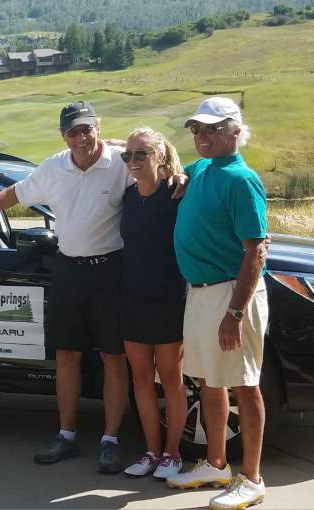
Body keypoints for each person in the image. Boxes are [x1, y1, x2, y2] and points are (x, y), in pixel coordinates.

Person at [0, 101, 133, 474]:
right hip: (69, 271)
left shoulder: (122, 162)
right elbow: (16, 193)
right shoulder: (55, 166)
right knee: (67, 356)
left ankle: (110, 441)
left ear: (98, 127)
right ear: (63, 136)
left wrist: (182, 178)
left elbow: (160, 168)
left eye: (86, 129)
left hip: (110, 271)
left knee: (112, 358)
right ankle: (67, 435)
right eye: (73, 131)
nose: (81, 137)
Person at [166, 97, 269, 510]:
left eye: (211, 128)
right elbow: (168, 163)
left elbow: (255, 251)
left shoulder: (241, 179)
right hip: (202, 291)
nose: (202, 136)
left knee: (245, 385)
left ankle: (253, 478)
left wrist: (235, 312)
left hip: (231, 294)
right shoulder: (204, 168)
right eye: (196, 129)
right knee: (210, 381)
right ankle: (216, 463)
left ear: (234, 131)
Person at [120, 128, 187, 481]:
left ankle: (173, 454)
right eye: (128, 155)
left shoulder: (177, 193)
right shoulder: (128, 196)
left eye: (141, 154)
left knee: (172, 379)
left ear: (160, 156)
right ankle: (151, 451)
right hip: (131, 298)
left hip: (167, 299)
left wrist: (183, 173)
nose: (133, 161)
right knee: (141, 379)